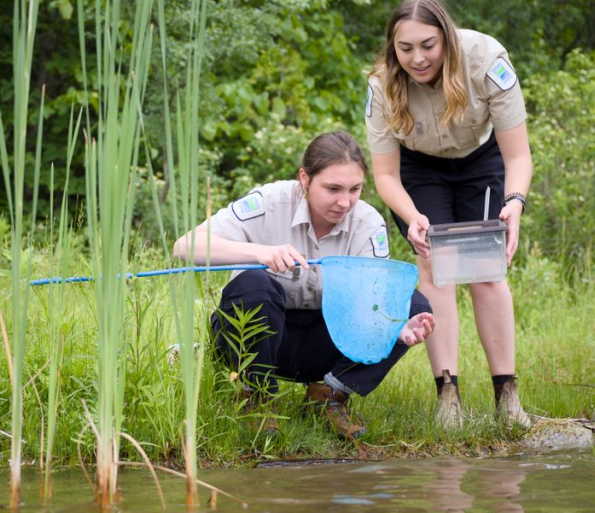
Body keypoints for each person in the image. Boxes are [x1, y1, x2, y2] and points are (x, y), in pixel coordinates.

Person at [173, 131, 435, 440]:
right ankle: (256, 397)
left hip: (325, 339)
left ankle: (328, 395)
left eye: (355, 189)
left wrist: (394, 330)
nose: (344, 202)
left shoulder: (368, 224)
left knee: (412, 305)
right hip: (256, 333)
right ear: (304, 178)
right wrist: (260, 253)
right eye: (332, 188)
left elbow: (374, 301)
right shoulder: (268, 202)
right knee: (254, 284)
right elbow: (184, 246)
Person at [365, 0, 533, 427]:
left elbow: (518, 156)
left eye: (428, 45)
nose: (417, 58)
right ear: (392, 48)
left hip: (481, 161)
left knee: (485, 270)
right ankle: (448, 396)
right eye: (406, 49)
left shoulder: (487, 59)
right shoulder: (383, 83)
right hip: (420, 168)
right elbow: (384, 176)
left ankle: (507, 396)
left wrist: (514, 204)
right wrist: (413, 216)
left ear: (447, 39)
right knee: (434, 266)